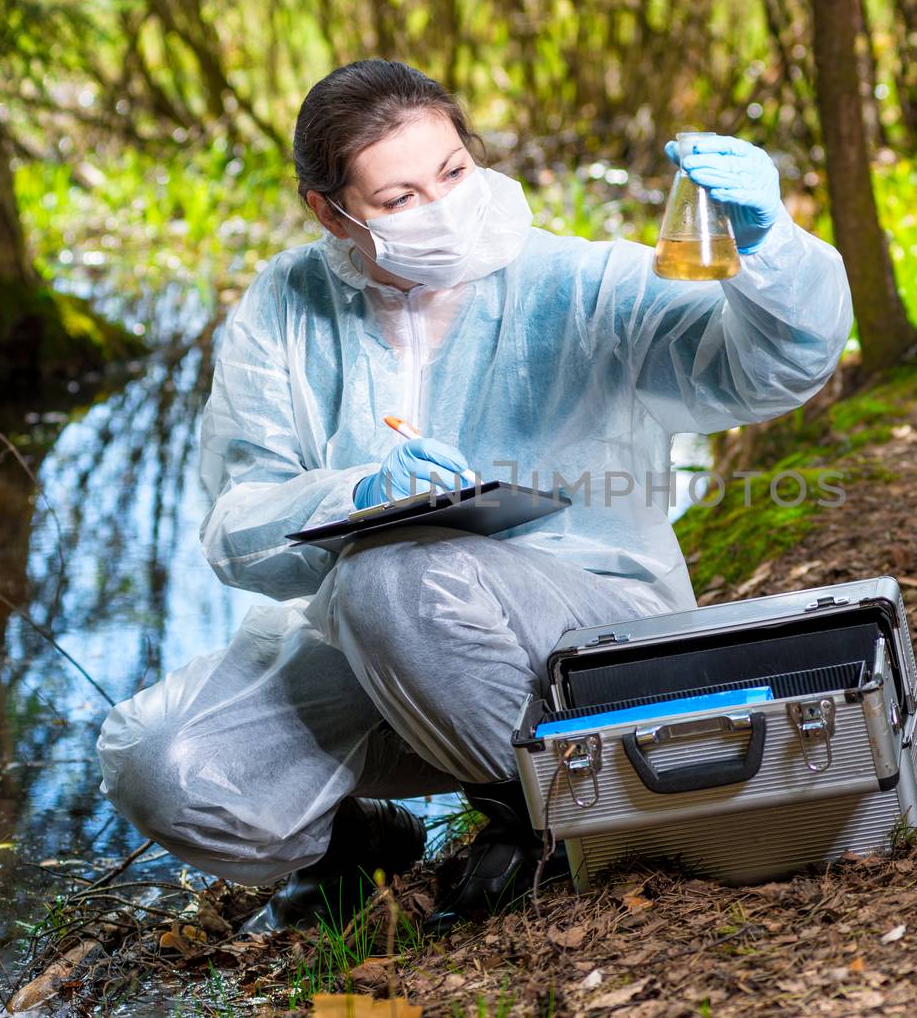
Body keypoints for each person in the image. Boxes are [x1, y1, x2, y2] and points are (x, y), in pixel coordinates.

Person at [96, 58, 855, 934]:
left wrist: (772, 252)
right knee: (165, 760)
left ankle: (550, 817)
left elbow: (767, 368)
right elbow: (237, 526)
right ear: (329, 212)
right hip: (369, 637)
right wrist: (359, 494)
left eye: (453, 171)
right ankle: (353, 846)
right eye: (399, 199)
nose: (441, 207)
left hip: (586, 627)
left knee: (397, 576)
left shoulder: (578, 285)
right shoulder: (288, 307)